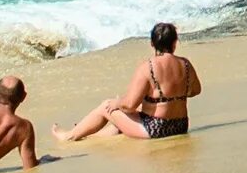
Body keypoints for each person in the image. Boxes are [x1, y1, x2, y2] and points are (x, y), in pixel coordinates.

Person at [60, 21, 201, 144]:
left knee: (106, 106)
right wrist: (172, 95)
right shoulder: (186, 64)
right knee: (124, 120)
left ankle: (68, 136)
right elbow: (196, 90)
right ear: (174, 43)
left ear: (152, 43)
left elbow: (129, 105)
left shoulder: (148, 67)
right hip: (181, 125)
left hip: (156, 129)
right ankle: (88, 135)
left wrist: (117, 103)